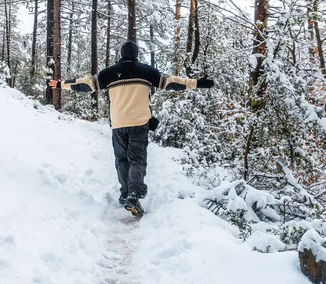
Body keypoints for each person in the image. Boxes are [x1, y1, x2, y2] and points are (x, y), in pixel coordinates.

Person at [49, 41, 214, 216]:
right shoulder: (146, 71)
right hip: (139, 124)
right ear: (136, 54)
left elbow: (85, 84)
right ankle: (134, 195)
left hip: (118, 124)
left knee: (122, 160)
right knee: (137, 160)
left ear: (121, 54)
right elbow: (172, 82)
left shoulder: (110, 73)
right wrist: (196, 83)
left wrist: (60, 84)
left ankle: (125, 193)